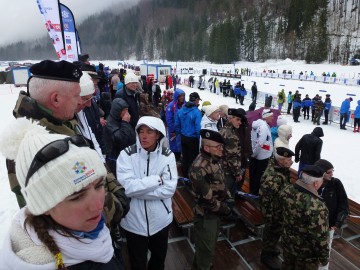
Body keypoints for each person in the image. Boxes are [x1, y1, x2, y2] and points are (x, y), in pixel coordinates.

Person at [0, 118, 119, 269]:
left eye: (99, 185)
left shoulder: (88, 230)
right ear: (44, 206)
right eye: (77, 196)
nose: (98, 206)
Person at [7, 60, 83, 208]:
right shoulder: (28, 145)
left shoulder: (62, 121)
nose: (80, 101)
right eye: (77, 95)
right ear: (56, 99)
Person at [116, 116, 177, 270]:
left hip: (161, 221)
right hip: (133, 222)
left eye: (150, 132)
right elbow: (126, 188)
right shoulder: (126, 155)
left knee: (158, 261)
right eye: (141, 131)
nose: (144, 136)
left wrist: (136, 189)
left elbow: (169, 189)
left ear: (158, 135)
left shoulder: (167, 156)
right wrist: (156, 180)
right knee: (137, 264)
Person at [189, 129, 233, 270]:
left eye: (222, 146)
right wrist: (225, 209)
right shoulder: (199, 168)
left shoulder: (214, 159)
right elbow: (206, 200)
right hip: (206, 216)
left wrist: (228, 198)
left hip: (215, 213)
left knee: (206, 248)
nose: (221, 149)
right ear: (207, 147)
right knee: (206, 250)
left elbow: (220, 182)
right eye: (218, 147)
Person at [280, 165, 329, 269]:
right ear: (316, 184)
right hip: (306, 255)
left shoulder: (287, 190)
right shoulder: (317, 206)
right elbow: (320, 238)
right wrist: (324, 258)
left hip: (287, 244)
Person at [259, 147, 295, 270]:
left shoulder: (282, 170)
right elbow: (266, 200)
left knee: (275, 233)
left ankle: (271, 248)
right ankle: (266, 255)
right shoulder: (273, 176)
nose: (291, 161)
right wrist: (270, 217)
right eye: (288, 159)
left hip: (279, 210)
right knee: (271, 232)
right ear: (280, 160)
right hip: (273, 213)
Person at [314, 159, 349, 270]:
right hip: (312, 225)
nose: (332, 174)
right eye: (329, 172)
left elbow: (343, 204)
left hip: (328, 226)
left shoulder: (336, 183)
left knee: (326, 250)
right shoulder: (311, 182)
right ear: (321, 172)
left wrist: (338, 221)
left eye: (332, 171)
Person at [103, 98, 136, 176]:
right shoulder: (110, 124)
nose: (126, 113)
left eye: (127, 110)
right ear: (117, 111)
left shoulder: (121, 121)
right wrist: (125, 123)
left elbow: (131, 137)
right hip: (115, 160)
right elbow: (121, 140)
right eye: (124, 110)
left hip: (127, 158)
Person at [175, 92, 202, 179]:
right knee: (193, 159)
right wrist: (199, 140)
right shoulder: (197, 112)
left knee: (185, 157)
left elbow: (177, 124)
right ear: (196, 100)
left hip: (183, 137)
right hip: (193, 139)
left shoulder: (181, 110)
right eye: (198, 100)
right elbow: (198, 128)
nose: (198, 102)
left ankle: (185, 176)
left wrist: (180, 133)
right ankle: (191, 178)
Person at [220, 108, 246, 194]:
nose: (240, 122)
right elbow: (232, 157)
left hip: (222, 168)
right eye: (237, 119)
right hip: (228, 171)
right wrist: (237, 173)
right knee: (228, 195)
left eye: (240, 120)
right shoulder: (231, 135)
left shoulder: (224, 129)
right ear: (230, 119)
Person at [249, 109, 274, 195]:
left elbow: (253, 140)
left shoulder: (260, 125)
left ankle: (252, 190)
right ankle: (255, 192)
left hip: (258, 154)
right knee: (258, 175)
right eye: (271, 116)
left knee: (254, 174)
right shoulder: (263, 127)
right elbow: (260, 143)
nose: (273, 118)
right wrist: (255, 154)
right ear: (266, 117)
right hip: (261, 156)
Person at [166, 89, 186, 161]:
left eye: (183, 96)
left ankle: (180, 157)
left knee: (182, 145)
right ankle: (174, 159)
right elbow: (169, 119)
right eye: (180, 96)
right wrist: (172, 130)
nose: (182, 97)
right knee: (175, 145)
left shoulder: (185, 105)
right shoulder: (171, 106)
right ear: (176, 96)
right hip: (174, 130)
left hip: (183, 129)